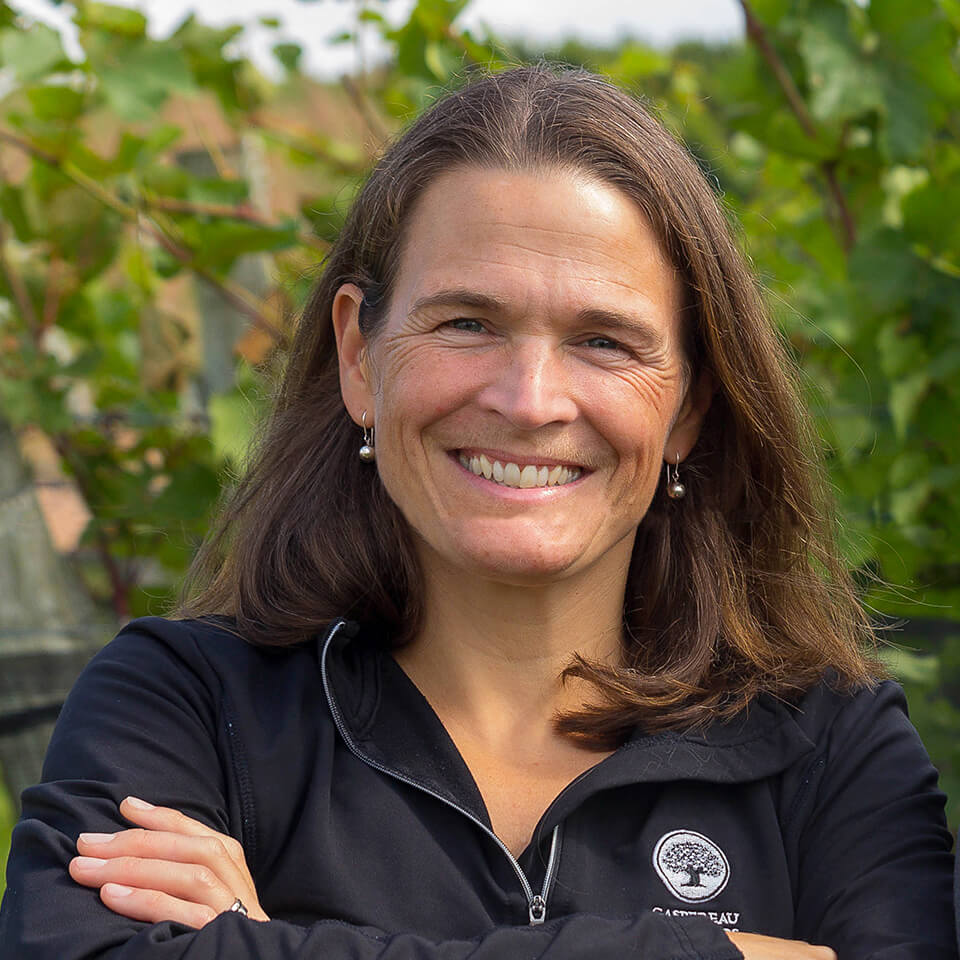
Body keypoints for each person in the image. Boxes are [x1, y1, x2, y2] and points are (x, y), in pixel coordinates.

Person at [0, 65, 955, 960]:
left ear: (691, 407)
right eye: (467, 323)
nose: (530, 398)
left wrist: (264, 941)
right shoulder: (187, 704)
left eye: (603, 340)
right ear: (359, 356)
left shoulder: (830, 745)